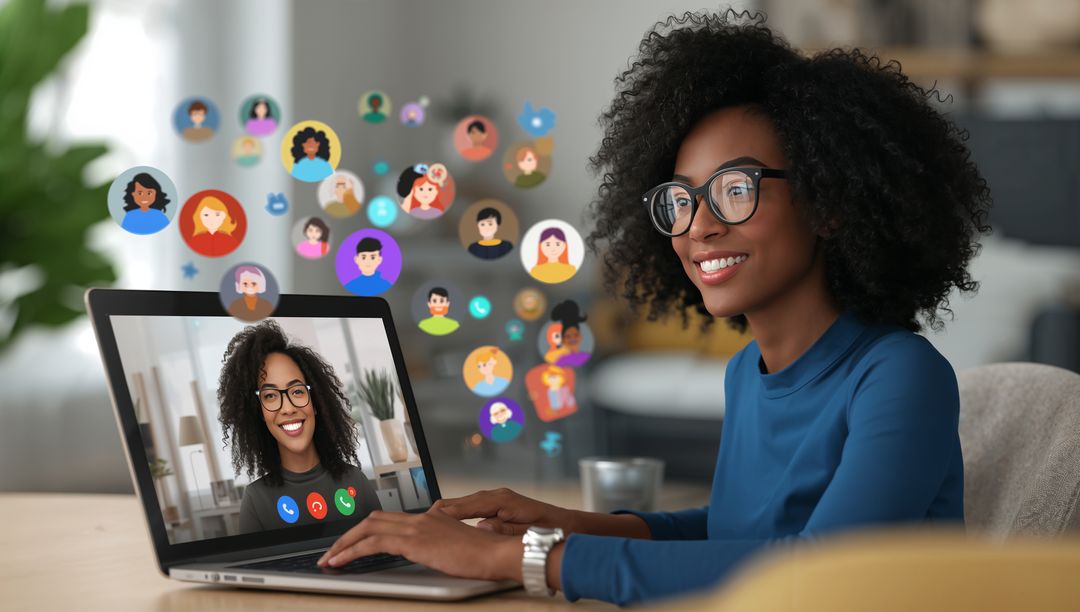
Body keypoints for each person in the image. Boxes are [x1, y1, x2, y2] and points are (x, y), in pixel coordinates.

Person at [315, 10, 991, 607]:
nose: (699, 225)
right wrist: (560, 524)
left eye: (734, 189)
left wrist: (517, 560)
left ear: (829, 203)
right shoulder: (747, 373)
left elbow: (824, 575)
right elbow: (736, 537)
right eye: (680, 199)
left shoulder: (899, 375)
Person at [218, 321, 381, 533]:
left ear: (315, 402)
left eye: (297, 391)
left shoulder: (356, 481)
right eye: (270, 396)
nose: (288, 408)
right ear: (260, 414)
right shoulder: (256, 501)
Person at [549, 300, 590, 367]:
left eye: (576, 335)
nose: (572, 339)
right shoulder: (558, 360)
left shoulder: (585, 357)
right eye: (568, 336)